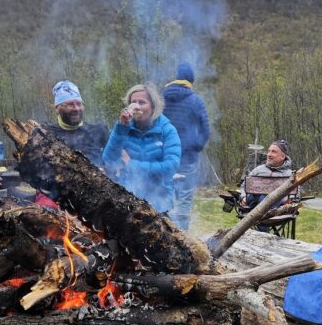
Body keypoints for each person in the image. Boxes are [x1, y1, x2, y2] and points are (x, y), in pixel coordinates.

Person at [101, 83, 181, 214]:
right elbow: (108, 161)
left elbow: (170, 167)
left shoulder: (167, 130)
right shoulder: (123, 127)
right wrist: (121, 127)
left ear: (153, 106)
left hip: (160, 199)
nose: (136, 106)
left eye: (142, 102)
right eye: (133, 102)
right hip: (127, 196)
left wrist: (131, 164)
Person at [163, 63, 210, 230]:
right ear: (191, 81)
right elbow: (205, 130)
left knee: (163, 196)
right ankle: (182, 237)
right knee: (184, 199)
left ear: (176, 78)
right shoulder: (196, 100)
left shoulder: (161, 98)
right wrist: (195, 147)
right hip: (187, 157)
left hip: (164, 156)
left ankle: (164, 233)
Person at [46, 80, 109, 168]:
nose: (76, 109)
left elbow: (115, 160)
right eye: (70, 105)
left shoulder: (99, 130)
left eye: (79, 104)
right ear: (57, 108)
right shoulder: (48, 133)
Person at [240, 139, 293, 210]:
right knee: (261, 194)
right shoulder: (258, 170)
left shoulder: (289, 174)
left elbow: (295, 194)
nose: (269, 155)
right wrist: (243, 197)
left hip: (276, 203)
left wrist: (286, 200)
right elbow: (244, 186)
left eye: (274, 152)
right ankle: (264, 211)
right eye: (269, 151)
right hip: (254, 200)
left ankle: (262, 211)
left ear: (283, 157)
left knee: (269, 195)